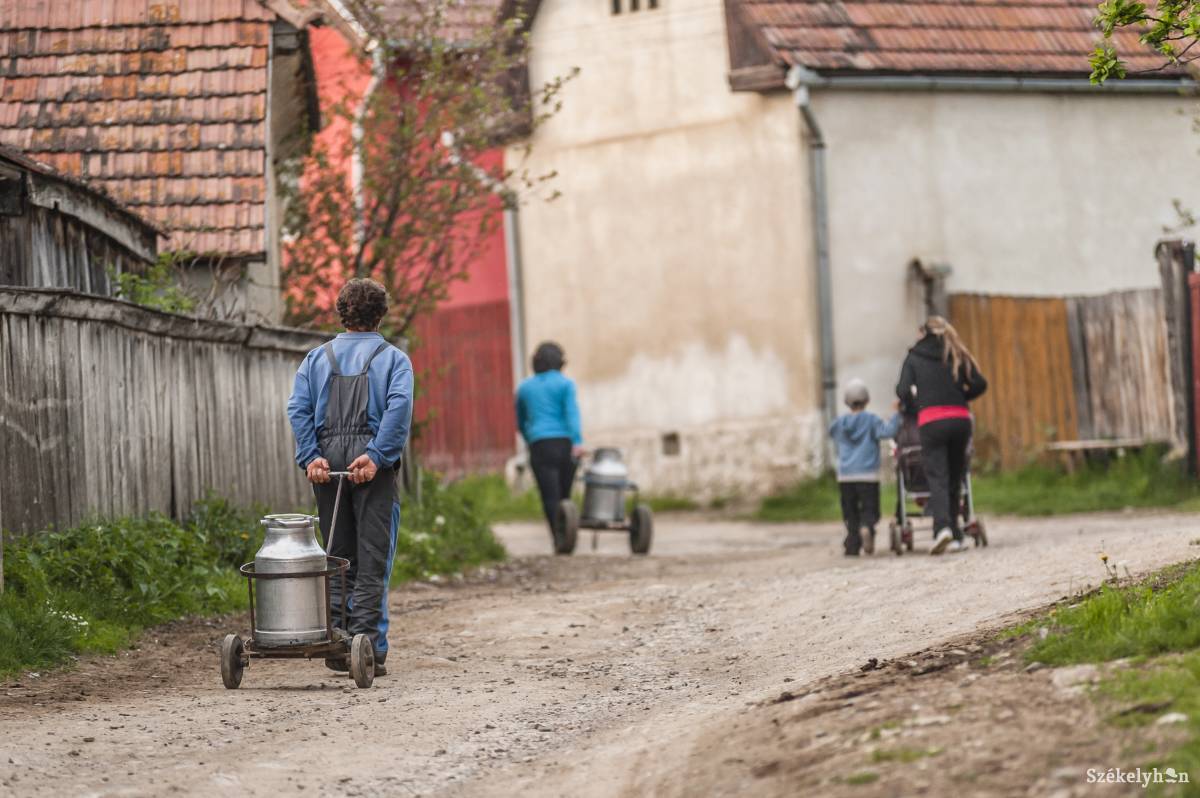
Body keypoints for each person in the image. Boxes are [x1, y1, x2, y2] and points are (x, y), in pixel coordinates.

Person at [286, 278, 413, 676]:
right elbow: (398, 407)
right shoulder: (393, 359)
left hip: (329, 464)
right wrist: (376, 456)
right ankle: (367, 649)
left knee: (338, 555)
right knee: (373, 558)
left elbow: (298, 409)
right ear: (381, 315)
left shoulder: (315, 359)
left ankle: (339, 643)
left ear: (341, 312)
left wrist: (312, 457)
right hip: (370, 465)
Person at [896, 316, 987, 555]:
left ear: (923, 332)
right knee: (955, 477)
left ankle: (942, 529)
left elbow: (902, 390)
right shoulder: (956, 352)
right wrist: (960, 399)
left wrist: (920, 405)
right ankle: (956, 536)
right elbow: (980, 383)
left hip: (932, 422)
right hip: (960, 420)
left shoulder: (914, 356)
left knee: (937, 476)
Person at [515, 342, 584, 541]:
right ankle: (567, 533)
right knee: (564, 493)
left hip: (540, 445)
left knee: (549, 495)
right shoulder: (566, 384)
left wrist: (531, 438)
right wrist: (577, 441)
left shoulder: (525, 388)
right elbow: (572, 414)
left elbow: (520, 421)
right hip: (564, 443)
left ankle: (559, 538)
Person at [829, 379, 901, 556]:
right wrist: (897, 414)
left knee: (850, 512)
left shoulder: (840, 423)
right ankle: (867, 527)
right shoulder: (871, 420)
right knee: (870, 509)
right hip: (868, 475)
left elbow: (831, 432)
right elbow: (888, 432)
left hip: (845, 476)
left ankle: (852, 545)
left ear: (846, 402)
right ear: (867, 401)